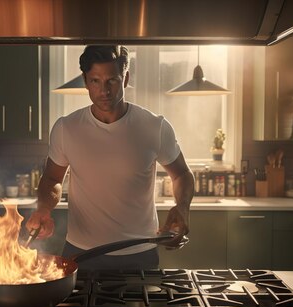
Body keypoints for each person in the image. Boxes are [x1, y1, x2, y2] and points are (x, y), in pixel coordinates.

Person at [26, 45, 194, 270]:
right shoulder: (66, 128)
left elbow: (182, 173)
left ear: (125, 79)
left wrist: (182, 206)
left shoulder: (154, 126)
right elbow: (51, 179)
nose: (104, 91)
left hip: (139, 253)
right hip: (81, 253)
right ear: (85, 81)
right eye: (95, 81)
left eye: (112, 81)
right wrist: (44, 208)